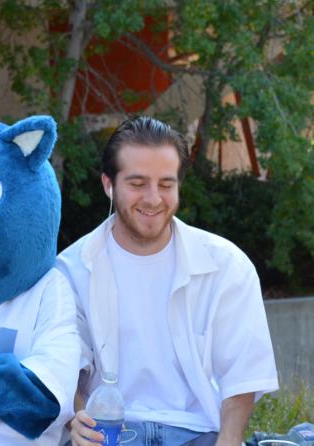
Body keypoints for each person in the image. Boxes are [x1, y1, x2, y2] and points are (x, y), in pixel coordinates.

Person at [56, 116, 278, 446]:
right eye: (137, 183)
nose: (153, 198)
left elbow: (242, 376)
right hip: (111, 435)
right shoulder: (71, 270)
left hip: (200, 433)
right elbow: (65, 369)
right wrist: (79, 422)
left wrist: (229, 441)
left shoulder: (227, 265)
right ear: (108, 184)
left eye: (165, 184)